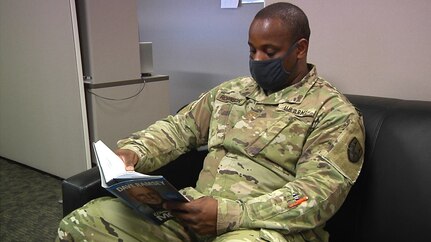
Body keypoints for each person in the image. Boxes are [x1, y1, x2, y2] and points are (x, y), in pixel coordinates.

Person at [57, 2, 364, 242]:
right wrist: (135, 152)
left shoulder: (333, 113)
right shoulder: (230, 93)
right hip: (191, 215)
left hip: (263, 229)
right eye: (251, 49)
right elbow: (179, 128)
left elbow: (315, 195)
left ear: (300, 48)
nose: (257, 59)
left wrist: (231, 214)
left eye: (269, 52)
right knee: (85, 222)